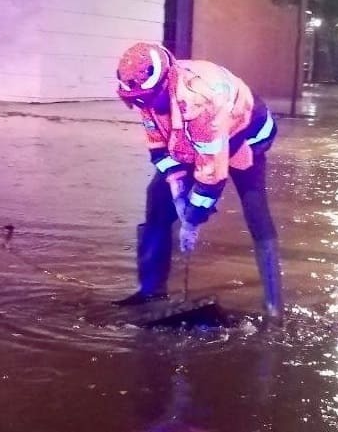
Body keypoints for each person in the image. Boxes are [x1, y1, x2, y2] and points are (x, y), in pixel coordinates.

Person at [111, 42, 284, 320]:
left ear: (166, 82)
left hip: (247, 133)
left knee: (254, 206)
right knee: (157, 197)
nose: (143, 107)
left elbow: (212, 175)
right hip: (196, 138)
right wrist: (177, 191)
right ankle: (150, 291)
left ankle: (275, 307)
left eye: (147, 100)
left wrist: (191, 218)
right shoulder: (145, 94)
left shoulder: (198, 100)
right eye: (137, 101)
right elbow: (159, 148)